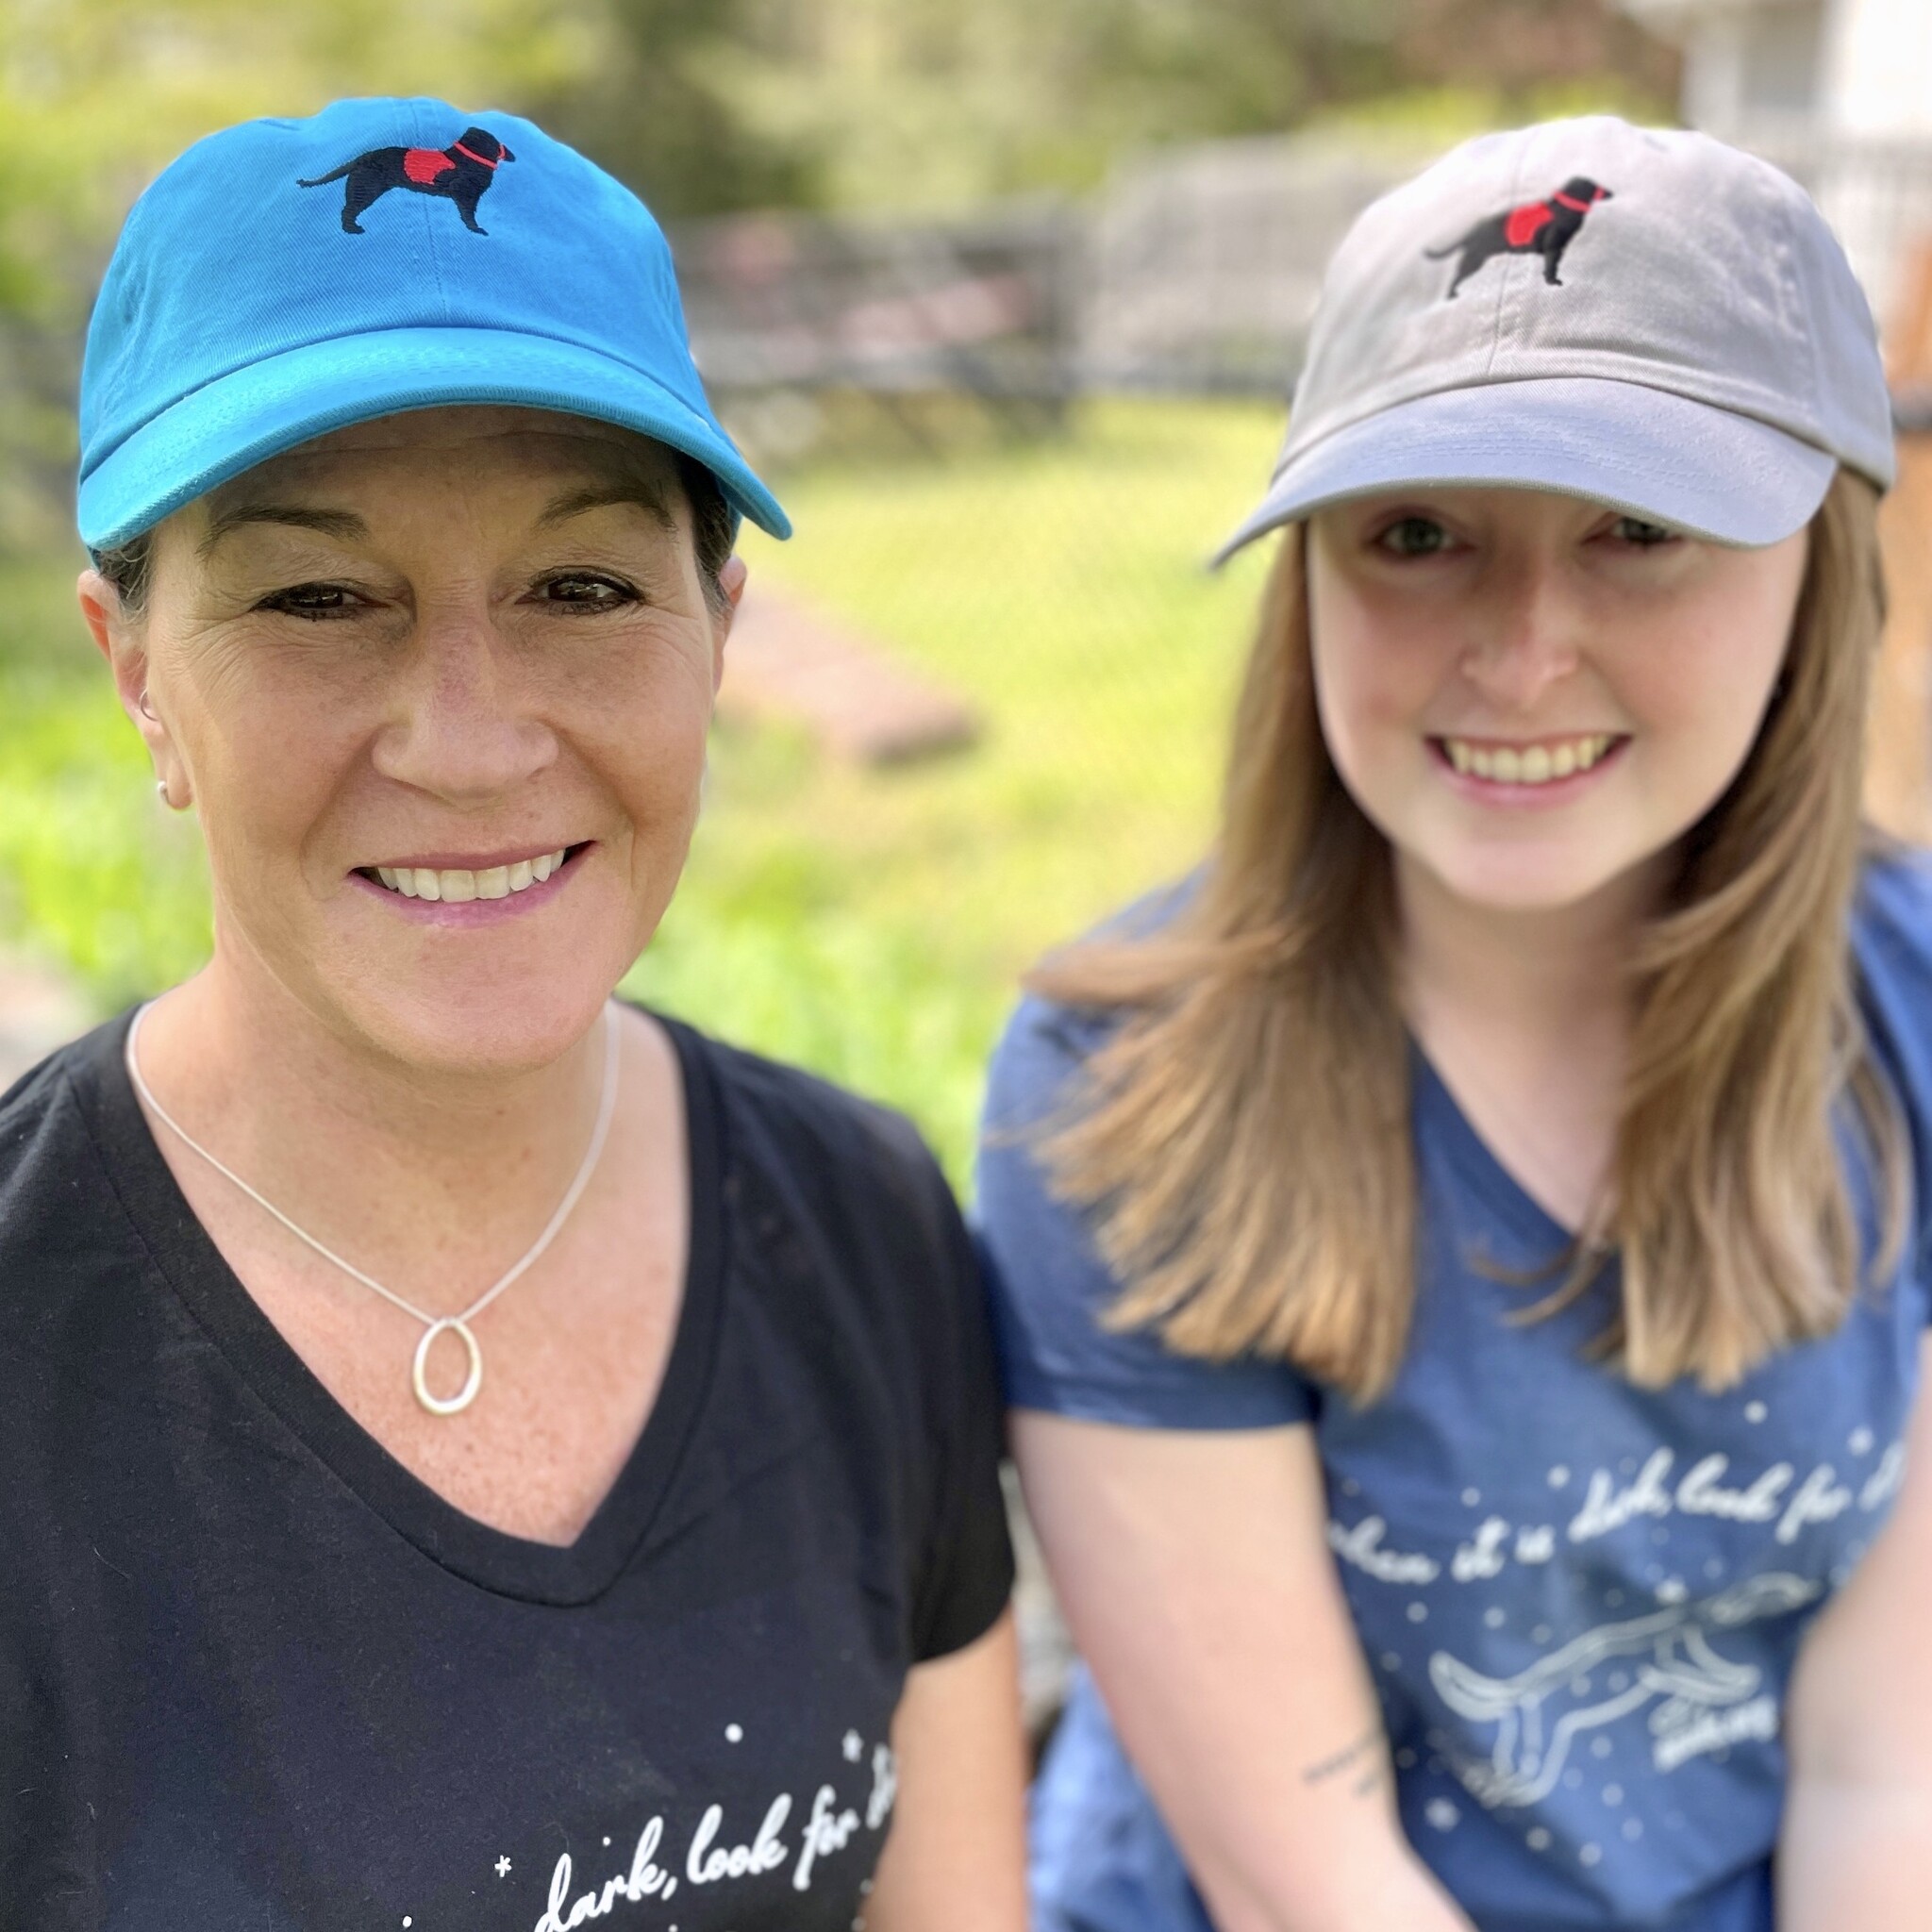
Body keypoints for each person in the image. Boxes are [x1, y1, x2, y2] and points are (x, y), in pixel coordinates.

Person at [0, 99, 1025, 1931]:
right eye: (319, 596)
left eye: (580, 587)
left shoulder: (862, 1228)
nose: (467, 741)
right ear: (138, 669)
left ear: (718, 630)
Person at [978, 116, 1932, 1932]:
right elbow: (1304, 1881)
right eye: (1417, 535)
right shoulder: (1126, 1093)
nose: (1517, 652)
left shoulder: (1916, 1007)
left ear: (1822, 559)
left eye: (1638, 532)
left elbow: (1891, 1776)